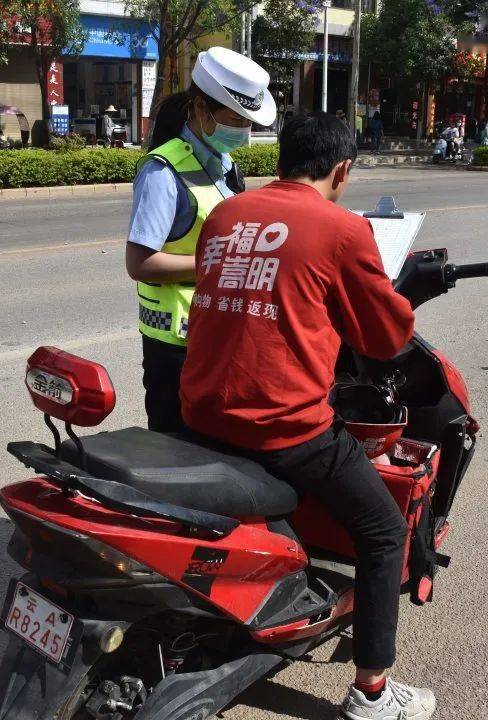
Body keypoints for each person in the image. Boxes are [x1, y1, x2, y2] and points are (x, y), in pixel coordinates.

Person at [180, 111, 434, 720]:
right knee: (382, 530)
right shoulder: (343, 229)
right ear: (342, 170)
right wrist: (398, 297)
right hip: (281, 426)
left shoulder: (227, 213)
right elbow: (383, 337)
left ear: (278, 159)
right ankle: (372, 693)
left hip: (199, 413)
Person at [125, 47, 275, 432]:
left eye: (248, 122)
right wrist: (216, 266)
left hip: (218, 330)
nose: (243, 131)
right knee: (175, 453)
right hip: (174, 344)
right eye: (234, 120)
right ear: (200, 109)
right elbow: (140, 263)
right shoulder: (162, 171)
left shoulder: (227, 167)